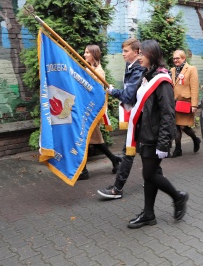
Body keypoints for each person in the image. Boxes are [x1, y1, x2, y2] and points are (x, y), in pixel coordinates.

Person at [125, 40, 188, 229]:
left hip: (155, 137)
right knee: (149, 175)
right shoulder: (148, 76)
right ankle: (149, 214)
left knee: (149, 173)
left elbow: (168, 114)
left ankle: (178, 197)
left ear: (151, 55)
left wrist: (163, 143)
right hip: (145, 134)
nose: (139, 57)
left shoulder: (162, 81)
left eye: (142, 54)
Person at [97, 38, 146, 199]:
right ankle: (154, 178)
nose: (122, 54)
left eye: (126, 51)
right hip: (137, 116)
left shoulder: (139, 69)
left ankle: (117, 189)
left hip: (142, 117)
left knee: (129, 152)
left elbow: (128, 94)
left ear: (136, 52)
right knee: (145, 152)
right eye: (123, 50)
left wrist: (113, 91)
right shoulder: (130, 66)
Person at [79, 44, 121, 180]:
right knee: (94, 140)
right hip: (86, 109)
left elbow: (95, 94)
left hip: (91, 111)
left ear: (94, 54)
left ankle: (84, 171)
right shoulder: (88, 68)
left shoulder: (98, 72)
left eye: (87, 53)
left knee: (85, 139)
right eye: (85, 52)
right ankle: (114, 160)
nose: (84, 55)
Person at [169, 49, 201, 157]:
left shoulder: (191, 69)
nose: (175, 60)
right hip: (174, 102)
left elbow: (195, 88)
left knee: (183, 126)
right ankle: (178, 149)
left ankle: (195, 139)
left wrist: (194, 104)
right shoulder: (172, 70)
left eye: (177, 58)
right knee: (176, 126)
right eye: (174, 58)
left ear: (184, 58)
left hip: (185, 102)